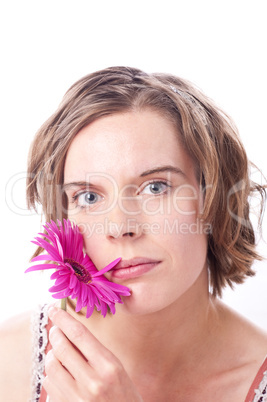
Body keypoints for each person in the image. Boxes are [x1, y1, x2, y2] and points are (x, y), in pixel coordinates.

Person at [0, 66, 266, 401]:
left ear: (214, 199)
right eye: (89, 197)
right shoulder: (9, 364)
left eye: (155, 187)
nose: (120, 227)